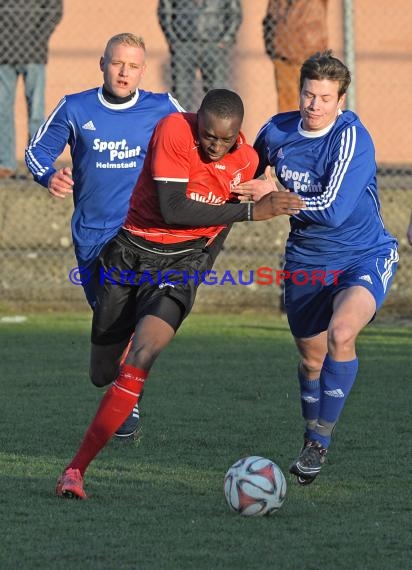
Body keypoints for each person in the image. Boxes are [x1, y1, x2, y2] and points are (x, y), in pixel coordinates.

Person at [54, 88, 305, 499]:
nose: (216, 146)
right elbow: (174, 207)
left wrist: (200, 267)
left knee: (144, 354)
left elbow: (218, 227)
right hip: (131, 253)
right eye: (209, 135)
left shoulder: (246, 161)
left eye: (227, 139)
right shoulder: (173, 129)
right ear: (197, 121)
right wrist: (249, 212)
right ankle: (124, 364)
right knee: (102, 373)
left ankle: (74, 471)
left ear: (239, 135)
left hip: (182, 265)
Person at [236, 51, 399, 485]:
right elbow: (244, 172)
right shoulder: (276, 130)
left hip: (362, 254)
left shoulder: (352, 137)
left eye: (325, 98)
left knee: (341, 334)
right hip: (307, 261)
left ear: (340, 101)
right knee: (311, 360)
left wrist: (274, 190)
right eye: (309, 94)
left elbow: (332, 210)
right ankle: (311, 433)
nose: (314, 105)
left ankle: (319, 443)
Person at [26, 32, 184, 438]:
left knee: (135, 319)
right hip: (93, 236)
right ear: (102, 64)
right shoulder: (75, 107)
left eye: (133, 66)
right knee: (110, 331)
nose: (124, 72)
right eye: (117, 63)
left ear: (143, 70)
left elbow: (198, 141)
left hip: (142, 232)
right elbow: (36, 152)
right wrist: (49, 176)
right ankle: (118, 384)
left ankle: (127, 401)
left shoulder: (163, 107)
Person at [0, 0, 62, 178]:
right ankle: (5, 164)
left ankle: (36, 164)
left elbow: (54, 10)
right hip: (3, 53)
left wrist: (37, 39)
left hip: (34, 53)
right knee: (2, 109)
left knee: (36, 112)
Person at [157, 0, 242, 110]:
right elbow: (165, 10)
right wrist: (174, 41)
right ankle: (182, 125)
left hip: (214, 45)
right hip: (184, 44)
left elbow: (235, 13)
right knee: (181, 92)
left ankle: (215, 126)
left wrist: (225, 40)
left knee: (217, 93)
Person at [262, 0, 328, 112]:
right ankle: (290, 129)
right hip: (282, 51)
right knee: (287, 104)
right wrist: (271, 45)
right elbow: (270, 17)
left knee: (315, 100)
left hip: (310, 51)